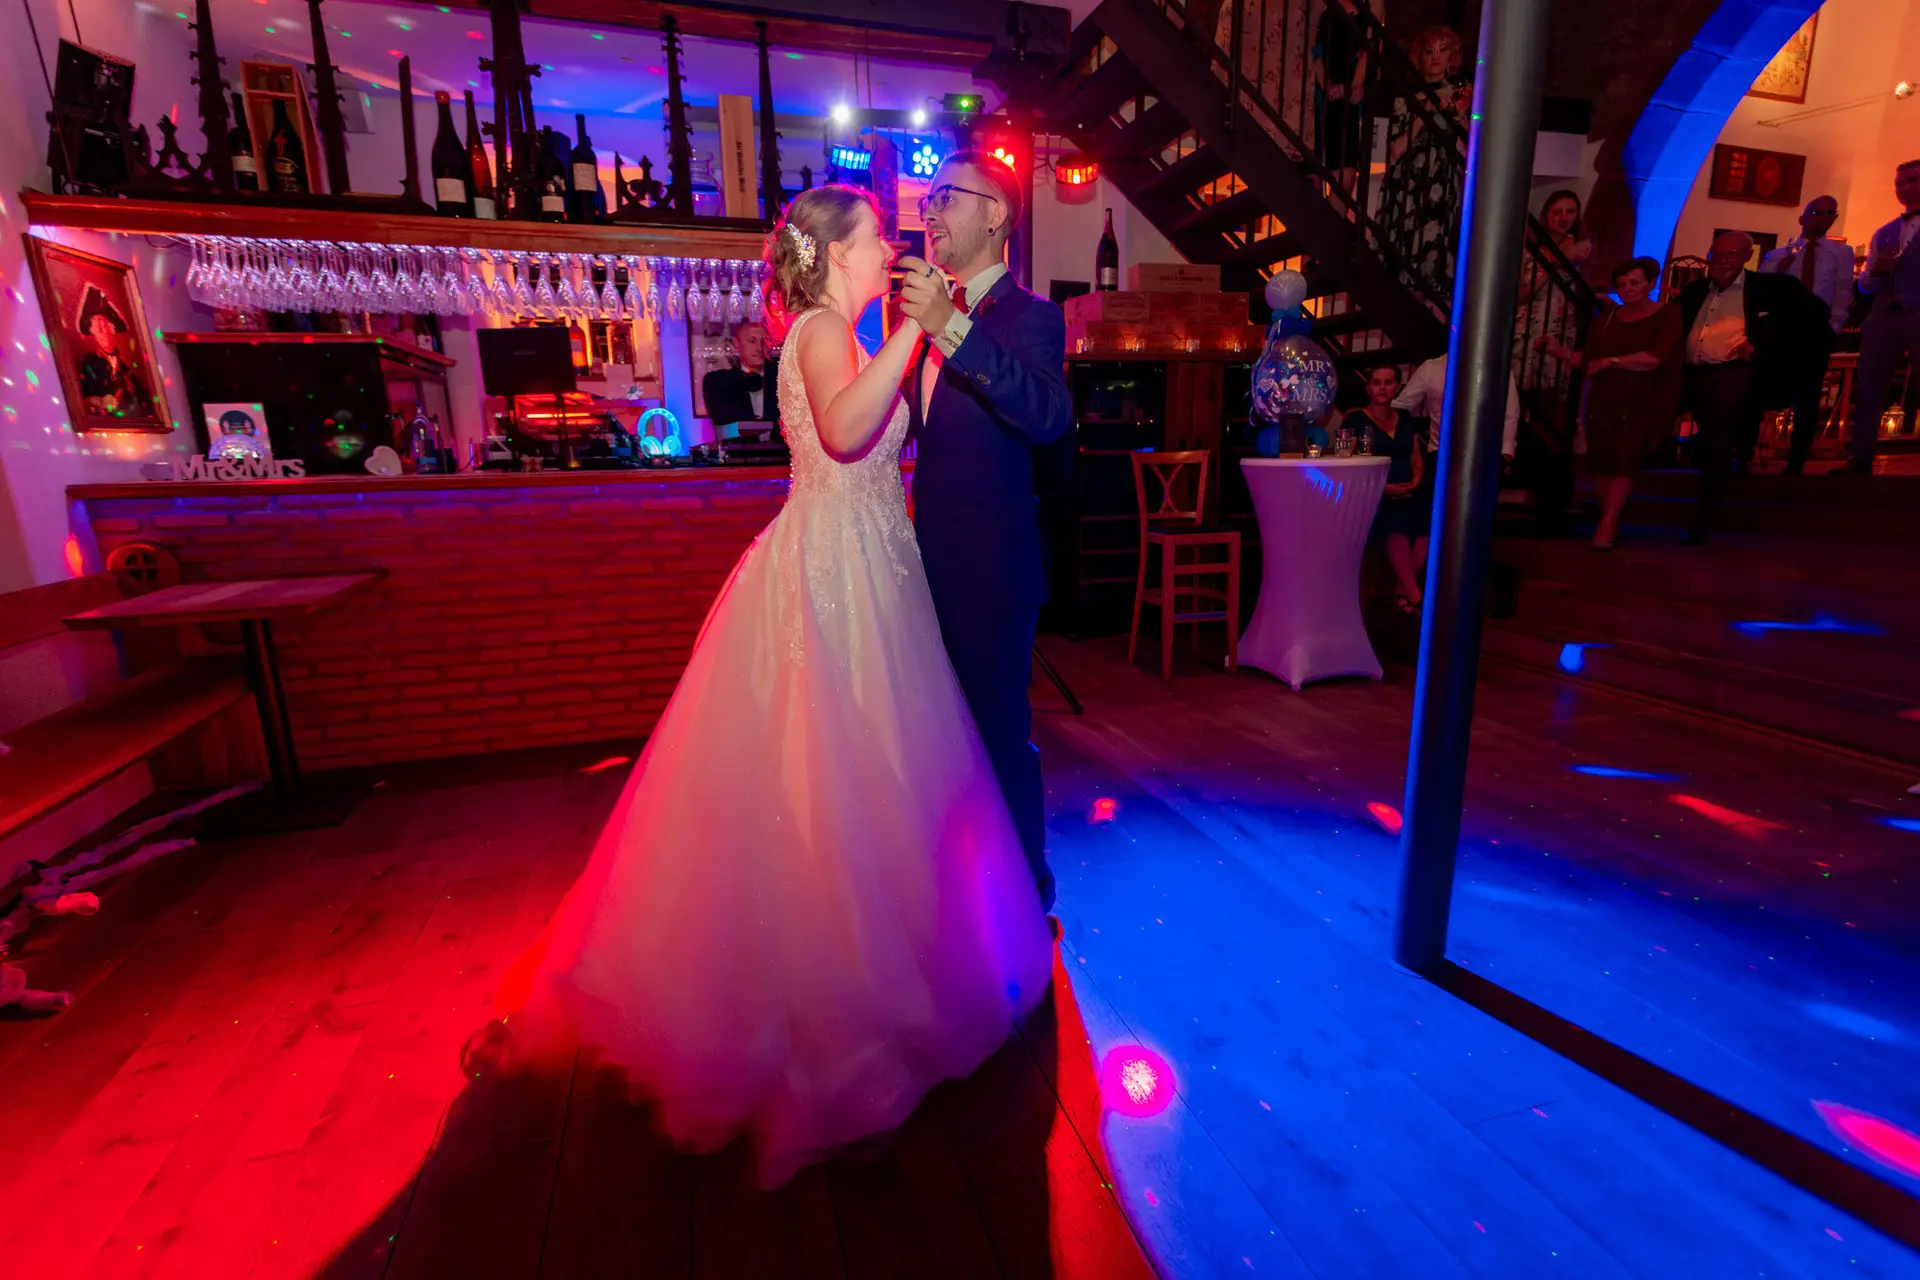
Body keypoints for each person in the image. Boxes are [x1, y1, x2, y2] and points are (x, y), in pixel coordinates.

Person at [502, 186, 1051, 1189]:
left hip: (875, 561)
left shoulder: (847, 329)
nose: (892, 246)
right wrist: (921, 333)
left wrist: (919, 338)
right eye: (877, 236)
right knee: (830, 780)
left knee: (881, 782)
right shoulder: (826, 332)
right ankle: (829, 1003)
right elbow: (843, 430)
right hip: (834, 573)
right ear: (837, 254)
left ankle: (881, 970)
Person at [897, 151, 1073, 912]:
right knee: (935, 741)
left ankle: (1028, 900)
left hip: (991, 571)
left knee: (997, 738)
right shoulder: (921, 317)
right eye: (929, 199)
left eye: (947, 197)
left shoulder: (1031, 316)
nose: (930, 211)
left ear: (995, 214)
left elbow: (1047, 416)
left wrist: (953, 327)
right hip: (922, 565)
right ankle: (961, 892)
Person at [1676, 231, 1829, 544]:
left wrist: (1758, 343)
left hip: (1732, 374)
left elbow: (1811, 316)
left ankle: (1703, 518)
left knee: (1716, 439)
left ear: (1747, 256)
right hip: (1690, 374)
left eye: (1731, 254)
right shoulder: (1694, 292)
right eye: (1716, 254)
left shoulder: (1769, 289)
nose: (1722, 260)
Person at [1537, 257, 1684, 550]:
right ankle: (1608, 518)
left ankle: (1607, 523)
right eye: (1622, 284)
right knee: (1601, 461)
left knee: (1623, 460)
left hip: (1641, 398)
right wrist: (1559, 351)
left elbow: (1655, 358)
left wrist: (1610, 362)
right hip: (1603, 398)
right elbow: (1588, 360)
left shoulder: (1668, 314)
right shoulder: (1608, 316)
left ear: (1651, 283)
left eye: (1635, 282)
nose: (1628, 288)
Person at [1759, 196, 1852, 473]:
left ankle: (1797, 457)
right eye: (1816, 212)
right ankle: (1750, 448)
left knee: (1808, 394)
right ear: (1803, 217)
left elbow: (1843, 290)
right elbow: (1762, 287)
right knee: (1766, 386)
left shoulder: (1840, 253)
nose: (1821, 217)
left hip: (1816, 327)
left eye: (1828, 213)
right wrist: (1781, 268)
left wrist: (1833, 326)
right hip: (1782, 327)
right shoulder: (1780, 254)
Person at [1380, 26, 1471, 296]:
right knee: (1401, 250)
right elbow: (1395, 150)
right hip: (1407, 180)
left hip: (1439, 180)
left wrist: (1454, 113)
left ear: (1452, 56)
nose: (1435, 56)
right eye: (1429, 51)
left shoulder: (1461, 95)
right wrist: (1423, 114)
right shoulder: (1405, 98)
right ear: (1419, 58)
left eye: (1442, 50)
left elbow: (1470, 142)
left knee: (1433, 248)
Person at [1844, 159, 1920, 475]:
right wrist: (1875, 272)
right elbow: (1864, 286)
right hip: (1883, 316)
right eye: (1900, 183)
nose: (1905, 187)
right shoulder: (1884, 232)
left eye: (1913, 180)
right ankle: (1860, 457)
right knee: (1869, 386)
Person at [1346, 362, 1430, 614]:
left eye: (1388, 382)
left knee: (1428, 527)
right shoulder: (1354, 419)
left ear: (1397, 387)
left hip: (1408, 490)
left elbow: (1416, 458)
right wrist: (1384, 488)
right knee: (1393, 523)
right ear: (1368, 388)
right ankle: (1415, 595)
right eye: (1376, 383)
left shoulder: (1406, 419)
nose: (1382, 388)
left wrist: (1415, 482)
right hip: (1373, 493)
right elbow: (1348, 463)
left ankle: (1401, 593)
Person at [1392, 350, 1521, 464]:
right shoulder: (1430, 369)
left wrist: (1506, 452)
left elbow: (1510, 413)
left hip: (1484, 454)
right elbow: (1400, 406)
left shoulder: (1497, 367)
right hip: (1440, 453)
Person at [1311, 0, 1368, 197]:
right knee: (1317, 168)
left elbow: (1368, 50)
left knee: (1346, 173)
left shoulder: (1368, 5)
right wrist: (1326, 84)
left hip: (1352, 92)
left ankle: (1331, 214)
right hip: (1323, 88)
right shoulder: (1322, 6)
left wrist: (1355, 86)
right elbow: (1312, 47)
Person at [75, 285, 150, 419]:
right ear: (91, 330)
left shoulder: (126, 370)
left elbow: (143, 404)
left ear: (112, 328)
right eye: (95, 326)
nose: (100, 330)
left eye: (102, 324)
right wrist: (96, 401)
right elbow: (82, 400)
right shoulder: (89, 364)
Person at [699, 320, 780, 432]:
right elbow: (723, 419)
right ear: (736, 344)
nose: (759, 348)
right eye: (752, 341)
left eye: (764, 341)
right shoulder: (716, 381)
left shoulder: (783, 379)